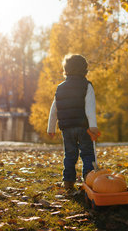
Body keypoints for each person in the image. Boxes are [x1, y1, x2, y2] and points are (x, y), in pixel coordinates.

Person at [47, 54, 99, 190]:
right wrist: (93, 126)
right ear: (85, 70)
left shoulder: (60, 87)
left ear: (66, 70)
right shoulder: (87, 86)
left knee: (70, 154)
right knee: (87, 153)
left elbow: (54, 109)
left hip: (67, 128)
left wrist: (51, 128)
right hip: (83, 127)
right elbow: (90, 108)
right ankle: (89, 180)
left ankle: (68, 182)